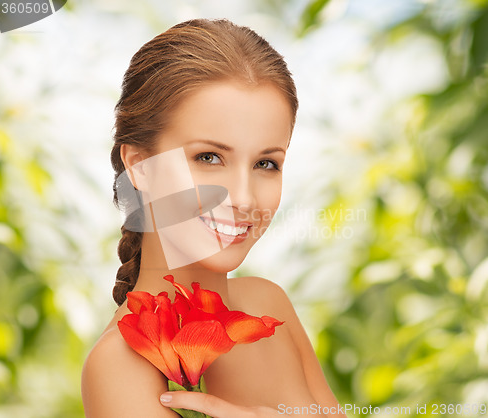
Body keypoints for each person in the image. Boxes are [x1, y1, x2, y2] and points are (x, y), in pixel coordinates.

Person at [81, 18, 346, 418]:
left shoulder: (266, 303)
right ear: (139, 164)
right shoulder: (119, 365)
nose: (242, 198)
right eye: (208, 158)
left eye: (266, 163)